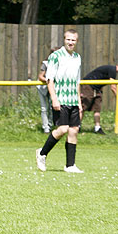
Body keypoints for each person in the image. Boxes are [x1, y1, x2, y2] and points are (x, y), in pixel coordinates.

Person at [35, 29, 84, 174]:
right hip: (60, 99)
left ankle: (70, 165)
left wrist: (79, 103)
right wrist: (54, 99)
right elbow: (49, 79)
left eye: (73, 40)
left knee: (74, 130)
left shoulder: (77, 57)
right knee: (62, 129)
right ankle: (42, 153)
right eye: (68, 39)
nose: (71, 42)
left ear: (77, 41)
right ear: (64, 40)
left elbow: (77, 82)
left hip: (73, 100)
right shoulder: (55, 56)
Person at [80, 60, 118, 134]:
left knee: (97, 109)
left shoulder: (112, 71)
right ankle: (77, 126)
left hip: (97, 89)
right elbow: (113, 87)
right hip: (88, 85)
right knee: (83, 107)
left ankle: (97, 128)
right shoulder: (112, 69)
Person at [37, 54, 54, 133]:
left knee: (52, 107)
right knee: (44, 108)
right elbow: (41, 76)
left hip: (53, 87)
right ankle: (45, 128)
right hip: (42, 88)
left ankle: (50, 125)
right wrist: (48, 80)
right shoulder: (46, 64)